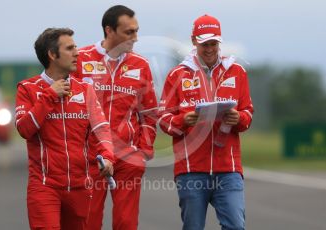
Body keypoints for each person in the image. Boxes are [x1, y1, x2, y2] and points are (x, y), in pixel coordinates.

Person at [158, 14, 254, 230]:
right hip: (191, 170)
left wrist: (239, 118)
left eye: (213, 43)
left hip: (228, 169)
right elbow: (163, 120)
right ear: (194, 41)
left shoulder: (237, 71)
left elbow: (248, 112)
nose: (209, 49)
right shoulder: (177, 75)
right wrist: (183, 120)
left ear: (219, 42)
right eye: (204, 44)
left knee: (236, 226)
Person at [15, 27, 115, 230]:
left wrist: (108, 156)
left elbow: (102, 130)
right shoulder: (28, 88)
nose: (77, 53)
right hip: (44, 186)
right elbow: (24, 130)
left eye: (76, 47)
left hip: (80, 188)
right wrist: (50, 96)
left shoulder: (86, 90)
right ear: (52, 55)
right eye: (70, 48)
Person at [72, 5, 158, 230]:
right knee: (88, 222)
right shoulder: (80, 60)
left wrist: (143, 150)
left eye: (136, 31)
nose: (135, 38)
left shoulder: (141, 65)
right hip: (91, 156)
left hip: (128, 157)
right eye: (129, 32)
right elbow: (67, 108)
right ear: (109, 31)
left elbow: (149, 113)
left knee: (126, 223)